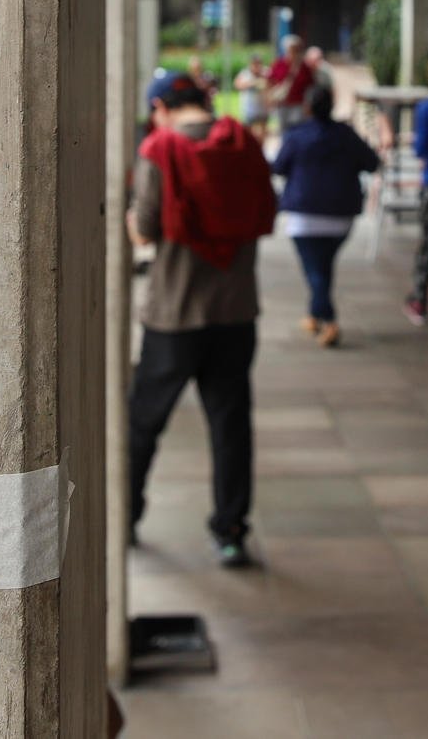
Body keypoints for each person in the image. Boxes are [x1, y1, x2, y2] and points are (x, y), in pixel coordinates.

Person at [126, 70, 276, 568]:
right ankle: (230, 532)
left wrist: (130, 221)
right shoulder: (244, 145)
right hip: (235, 312)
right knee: (230, 426)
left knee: (144, 423)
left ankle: (125, 517)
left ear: (162, 108)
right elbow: (265, 214)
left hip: (174, 314)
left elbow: (146, 229)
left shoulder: (161, 151)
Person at [270, 84, 381, 348]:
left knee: (315, 271)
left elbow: (279, 167)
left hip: (303, 217)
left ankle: (329, 320)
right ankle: (314, 314)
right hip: (341, 217)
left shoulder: (296, 136)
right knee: (322, 267)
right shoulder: (346, 135)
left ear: (306, 108)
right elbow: (372, 163)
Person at [265, 35, 314, 132]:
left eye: (296, 50)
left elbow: (310, 86)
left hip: (299, 105)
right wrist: (270, 97)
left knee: (298, 129)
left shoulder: (304, 67)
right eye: (291, 50)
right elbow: (269, 81)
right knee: (284, 130)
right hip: (282, 104)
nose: (293, 53)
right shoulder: (279, 64)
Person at [233, 52, 268, 136]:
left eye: (258, 63)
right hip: (249, 110)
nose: (256, 66)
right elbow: (237, 85)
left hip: (263, 108)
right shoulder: (244, 73)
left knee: (262, 133)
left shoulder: (266, 72)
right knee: (248, 133)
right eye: (254, 63)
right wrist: (252, 83)